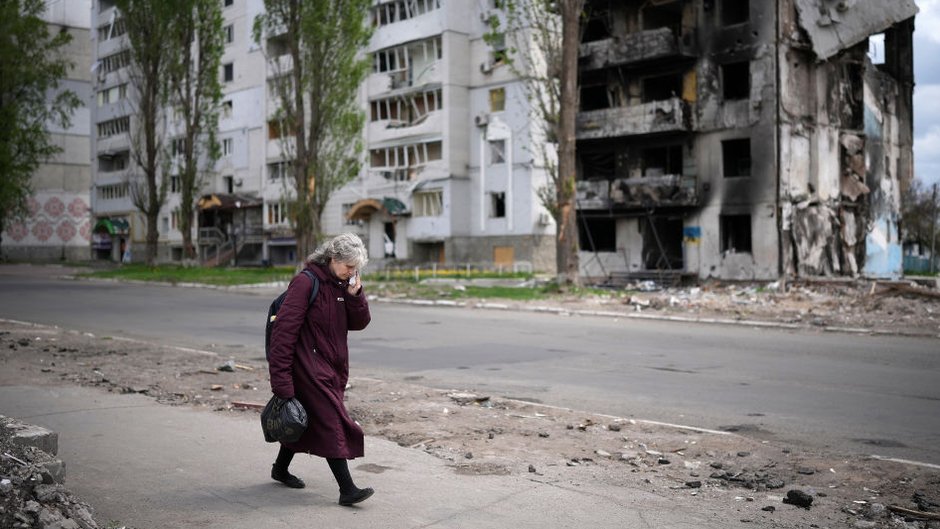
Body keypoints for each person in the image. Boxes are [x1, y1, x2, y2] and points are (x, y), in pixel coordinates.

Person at [267, 233, 374, 506]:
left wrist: (355, 295)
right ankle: (347, 489)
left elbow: (360, 323)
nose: (352, 272)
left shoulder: (342, 285)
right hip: (307, 368)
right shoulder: (306, 282)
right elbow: (283, 332)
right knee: (331, 421)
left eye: (356, 268)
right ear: (332, 258)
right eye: (349, 266)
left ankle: (280, 469)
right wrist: (281, 382)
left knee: (303, 421)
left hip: (332, 368)